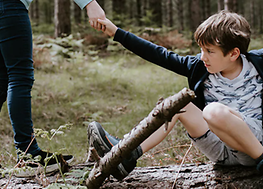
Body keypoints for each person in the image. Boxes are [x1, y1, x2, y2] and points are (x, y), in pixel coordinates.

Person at [87, 10, 263, 180]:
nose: (203, 57)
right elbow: (158, 54)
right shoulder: (199, 66)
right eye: (201, 49)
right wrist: (115, 32)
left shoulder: (257, 64)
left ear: (234, 53)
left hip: (255, 143)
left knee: (213, 111)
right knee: (179, 105)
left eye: (210, 51)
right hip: (220, 150)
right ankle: (126, 153)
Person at [0, 0, 105, 176]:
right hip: (6, 6)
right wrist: (89, 3)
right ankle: (28, 155)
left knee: (0, 79)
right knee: (19, 78)